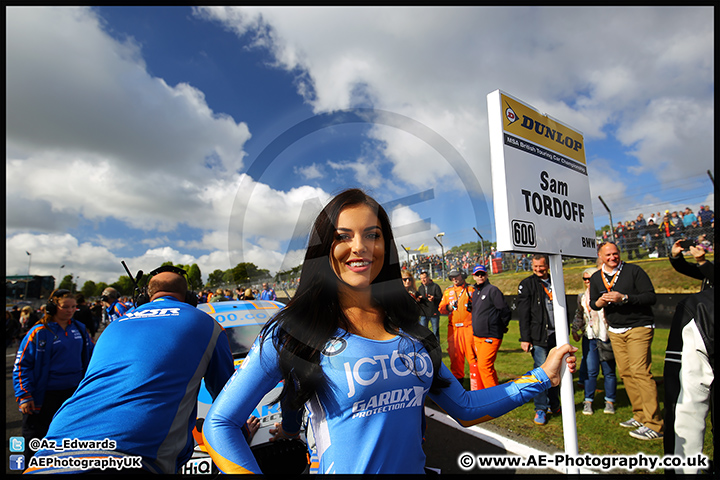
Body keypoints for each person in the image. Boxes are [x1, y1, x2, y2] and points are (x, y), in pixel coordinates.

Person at [200, 188, 577, 474]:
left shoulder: (410, 328)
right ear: (323, 248)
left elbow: (464, 408)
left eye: (373, 234)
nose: (360, 247)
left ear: (387, 245)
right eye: (343, 236)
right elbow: (220, 423)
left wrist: (542, 376)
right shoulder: (294, 329)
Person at [28, 267, 237, 474]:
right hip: (133, 456)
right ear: (190, 297)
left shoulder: (114, 325)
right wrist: (241, 433)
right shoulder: (205, 323)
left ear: (144, 297)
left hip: (52, 451)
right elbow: (228, 398)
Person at [589, 242, 663, 440]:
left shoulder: (634, 271)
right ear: (600, 256)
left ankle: (654, 424)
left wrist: (625, 297)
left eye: (616, 254)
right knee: (627, 373)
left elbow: (650, 297)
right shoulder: (597, 277)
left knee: (640, 372)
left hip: (639, 326)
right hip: (615, 329)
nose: (613, 257)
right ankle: (639, 414)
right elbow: (593, 304)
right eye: (608, 255)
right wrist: (600, 302)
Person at [13, 289, 94, 451]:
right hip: (44, 396)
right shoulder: (39, 332)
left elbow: (92, 358)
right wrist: (24, 395)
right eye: (66, 307)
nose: (71, 310)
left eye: (73, 307)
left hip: (73, 394)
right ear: (52, 307)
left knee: (68, 439)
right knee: (35, 440)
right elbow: (22, 365)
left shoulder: (80, 329)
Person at [663, 242, 714, 474]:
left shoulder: (700, 307)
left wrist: (702, 262)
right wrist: (676, 258)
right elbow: (693, 271)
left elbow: (687, 408)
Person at [517, 254, 560, 425]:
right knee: (541, 373)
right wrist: (525, 338)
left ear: (547, 266)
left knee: (556, 371)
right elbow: (523, 314)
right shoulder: (527, 284)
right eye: (535, 267)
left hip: (557, 335)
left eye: (541, 267)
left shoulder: (556, 280)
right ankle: (540, 408)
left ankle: (554, 404)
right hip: (538, 337)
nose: (538, 270)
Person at [572, 267, 617, 416]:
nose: (587, 282)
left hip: (606, 336)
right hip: (589, 337)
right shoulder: (582, 297)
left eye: (590, 279)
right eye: (584, 279)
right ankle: (588, 401)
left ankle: (609, 401)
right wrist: (575, 329)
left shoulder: (606, 294)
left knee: (609, 371)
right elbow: (580, 314)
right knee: (591, 371)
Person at [470, 264, 511, 389]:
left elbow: (505, 311)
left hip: (490, 335)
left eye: (482, 274)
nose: (480, 276)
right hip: (478, 336)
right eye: (477, 274)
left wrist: (500, 326)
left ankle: (494, 396)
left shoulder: (492, 290)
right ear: (474, 277)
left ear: (487, 275)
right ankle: (489, 391)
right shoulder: (476, 292)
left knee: (484, 366)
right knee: (486, 366)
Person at [439, 269, 480, 390]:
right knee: (455, 358)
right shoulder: (448, 291)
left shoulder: (471, 289)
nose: (454, 279)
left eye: (456, 276)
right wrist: (448, 307)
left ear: (462, 275)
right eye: (452, 277)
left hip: (469, 328)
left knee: (473, 357)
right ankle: (458, 388)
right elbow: (441, 308)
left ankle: (477, 387)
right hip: (453, 330)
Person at [416, 269, 442, 341]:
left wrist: (434, 299)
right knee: (424, 333)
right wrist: (418, 299)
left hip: (433, 313)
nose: (423, 280)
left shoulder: (435, 286)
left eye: (424, 278)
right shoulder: (420, 288)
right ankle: (427, 349)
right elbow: (419, 300)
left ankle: (437, 350)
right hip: (423, 314)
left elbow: (440, 298)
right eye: (421, 278)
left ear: (428, 278)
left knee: (435, 333)